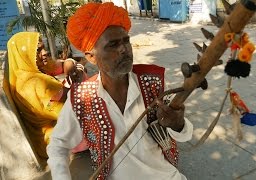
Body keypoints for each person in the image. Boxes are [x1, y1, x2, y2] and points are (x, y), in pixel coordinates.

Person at [47, 2, 193, 180]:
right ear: (91, 56)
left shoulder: (153, 82)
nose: (124, 49)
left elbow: (186, 135)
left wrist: (178, 124)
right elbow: (57, 145)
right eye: (113, 45)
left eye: (126, 41)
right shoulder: (81, 97)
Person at [6, 32, 85, 162]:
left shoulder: (27, 70)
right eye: (37, 50)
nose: (45, 53)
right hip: (55, 138)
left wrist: (71, 64)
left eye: (44, 47)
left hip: (49, 134)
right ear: (25, 55)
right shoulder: (35, 84)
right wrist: (77, 83)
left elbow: (60, 64)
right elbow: (68, 114)